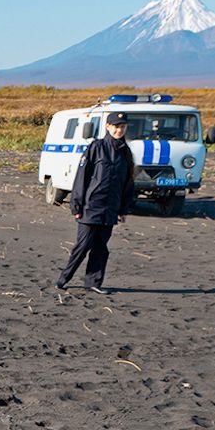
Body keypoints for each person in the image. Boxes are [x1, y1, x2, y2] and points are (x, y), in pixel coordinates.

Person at [57, 111, 135, 294]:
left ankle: (93, 283)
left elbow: (128, 182)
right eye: (116, 126)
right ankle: (63, 279)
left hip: (110, 208)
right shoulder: (96, 147)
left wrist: (123, 209)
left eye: (122, 126)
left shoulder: (126, 152)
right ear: (108, 126)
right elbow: (81, 178)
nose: (119, 130)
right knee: (83, 245)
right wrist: (76, 205)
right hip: (90, 207)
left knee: (101, 247)